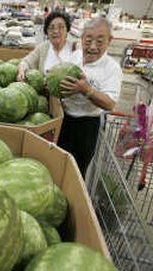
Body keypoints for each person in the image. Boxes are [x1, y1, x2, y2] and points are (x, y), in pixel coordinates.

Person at [57, 17, 122, 177]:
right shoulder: (75, 56)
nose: (92, 47)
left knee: (76, 172)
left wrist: (86, 90)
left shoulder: (112, 68)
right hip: (63, 119)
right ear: (82, 38)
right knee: (57, 164)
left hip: (86, 127)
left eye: (100, 42)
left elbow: (110, 104)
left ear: (109, 40)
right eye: (88, 40)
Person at [17, 11, 76, 81]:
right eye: (51, 27)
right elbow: (26, 62)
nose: (56, 31)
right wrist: (21, 70)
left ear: (67, 30)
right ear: (47, 32)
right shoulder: (43, 48)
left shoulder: (74, 47)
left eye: (60, 27)